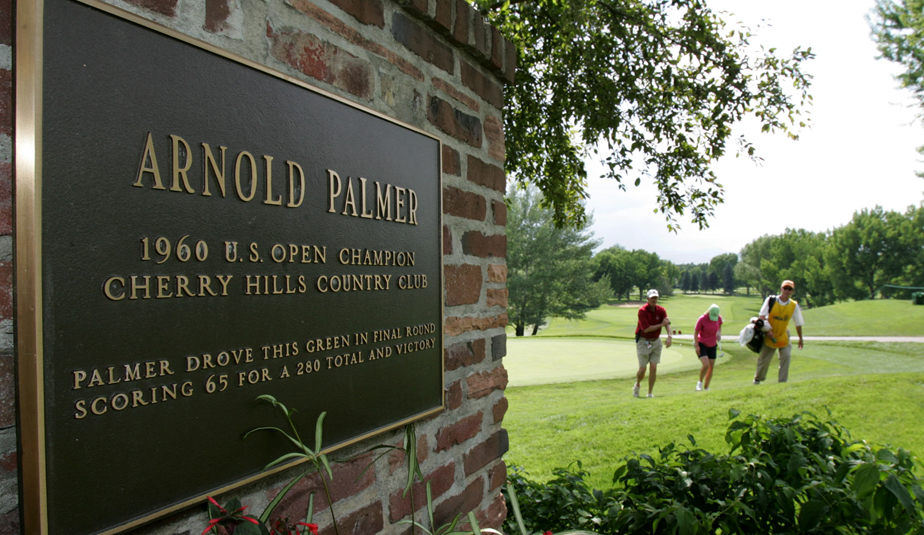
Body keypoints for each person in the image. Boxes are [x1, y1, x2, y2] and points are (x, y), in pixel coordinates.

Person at [753, 280, 805, 384]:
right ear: (781, 289)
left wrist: (800, 338)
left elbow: (798, 323)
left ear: (792, 292)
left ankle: (782, 382)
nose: (787, 291)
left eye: (789, 289)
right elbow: (762, 317)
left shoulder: (794, 305)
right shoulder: (771, 300)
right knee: (765, 359)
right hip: (769, 333)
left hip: (783, 334)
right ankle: (758, 379)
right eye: (785, 288)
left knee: (786, 356)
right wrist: (768, 331)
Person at [633, 289, 672, 398]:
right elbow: (646, 329)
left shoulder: (661, 310)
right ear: (647, 299)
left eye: (655, 298)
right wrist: (661, 325)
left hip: (656, 342)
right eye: (652, 298)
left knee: (654, 367)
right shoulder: (642, 311)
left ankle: (650, 393)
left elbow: (667, 323)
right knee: (642, 370)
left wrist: (670, 336)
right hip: (643, 341)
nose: (654, 300)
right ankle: (637, 384)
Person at [694, 303, 722, 391]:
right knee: (706, 364)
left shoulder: (719, 318)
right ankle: (699, 383)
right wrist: (697, 346)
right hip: (702, 343)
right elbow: (696, 332)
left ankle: (706, 387)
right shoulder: (702, 319)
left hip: (713, 344)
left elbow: (719, 327)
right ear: (709, 312)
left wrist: (719, 334)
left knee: (711, 366)